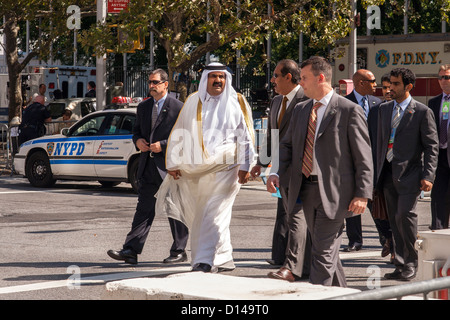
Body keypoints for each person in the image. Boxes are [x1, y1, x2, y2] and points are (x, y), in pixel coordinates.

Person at [267, 56, 373, 287]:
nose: (300, 82)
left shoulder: (348, 110)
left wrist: (362, 194)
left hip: (336, 194)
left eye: (304, 78)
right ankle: (342, 293)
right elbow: (286, 145)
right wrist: (275, 172)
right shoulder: (301, 109)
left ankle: (317, 293)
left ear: (321, 78)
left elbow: (363, 157)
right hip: (305, 190)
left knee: (322, 253)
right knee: (325, 252)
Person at [155, 62, 255, 273]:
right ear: (205, 79)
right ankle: (224, 256)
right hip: (199, 169)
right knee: (212, 211)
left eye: (222, 77)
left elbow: (245, 137)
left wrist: (246, 166)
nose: (218, 80)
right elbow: (179, 131)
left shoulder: (236, 102)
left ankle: (203, 260)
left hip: (229, 167)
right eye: (214, 76)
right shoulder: (193, 101)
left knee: (211, 212)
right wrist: (172, 162)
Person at [107, 69, 189, 265]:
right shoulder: (143, 107)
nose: (151, 86)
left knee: (174, 209)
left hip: (169, 167)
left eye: (155, 82)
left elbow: (186, 137)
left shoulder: (178, 107)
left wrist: (163, 145)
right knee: (144, 210)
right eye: (150, 82)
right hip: (147, 166)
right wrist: (138, 142)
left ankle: (179, 250)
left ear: (165, 84)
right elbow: (136, 132)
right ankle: (131, 250)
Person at [250, 59, 310, 281]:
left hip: (302, 169)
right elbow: (271, 137)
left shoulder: (307, 99)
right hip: (280, 170)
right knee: (288, 215)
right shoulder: (276, 102)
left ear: (288, 77)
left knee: (296, 217)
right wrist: (261, 162)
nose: (272, 80)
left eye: (276, 75)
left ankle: (294, 265)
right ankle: (292, 261)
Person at [376, 68, 438, 281]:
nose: (390, 87)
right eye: (390, 83)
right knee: (394, 221)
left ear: (408, 86)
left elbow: (432, 146)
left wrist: (428, 175)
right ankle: (400, 263)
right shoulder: (384, 110)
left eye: (395, 84)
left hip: (410, 175)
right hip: (386, 175)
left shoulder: (421, 112)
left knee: (405, 217)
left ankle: (412, 262)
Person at [342, 69, 381, 252]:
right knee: (353, 201)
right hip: (351, 161)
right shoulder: (344, 103)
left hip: (374, 159)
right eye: (372, 81)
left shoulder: (377, 103)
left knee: (376, 202)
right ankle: (355, 241)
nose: (376, 84)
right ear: (360, 83)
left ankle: (386, 239)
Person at [367, 73, 394, 262]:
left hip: (398, 170)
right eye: (384, 87)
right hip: (377, 168)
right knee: (374, 206)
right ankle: (388, 237)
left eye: (391, 87)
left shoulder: (410, 109)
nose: (388, 91)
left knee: (395, 210)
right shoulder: (375, 111)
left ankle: (395, 247)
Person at [428, 64, 450, 230]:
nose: (443, 81)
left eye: (447, 77)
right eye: (441, 77)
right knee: (438, 198)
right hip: (440, 156)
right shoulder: (434, 102)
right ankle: (439, 231)